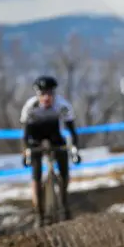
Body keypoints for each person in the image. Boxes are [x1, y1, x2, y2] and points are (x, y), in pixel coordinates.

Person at [20, 75, 81, 226]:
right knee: (36, 172)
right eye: (43, 94)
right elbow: (25, 134)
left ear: (54, 94)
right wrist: (26, 152)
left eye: (49, 94)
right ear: (38, 95)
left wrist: (74, 150)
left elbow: (72, 131)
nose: (46, 98)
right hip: (35, 137)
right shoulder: (30, 106)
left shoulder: (62, 105)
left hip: (54, 135)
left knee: (64, 168)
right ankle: (39, 212)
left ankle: (64, 204)